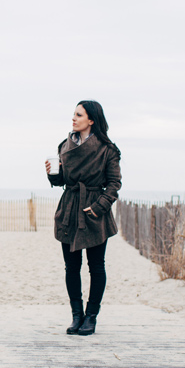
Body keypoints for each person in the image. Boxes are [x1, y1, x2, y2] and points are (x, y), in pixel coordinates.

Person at [46, 100, 122, 336]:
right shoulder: (65, 145)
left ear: (91, 120)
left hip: (94, 212)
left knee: (96, 267)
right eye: (74, 114)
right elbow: (62, 181)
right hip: (69, 208)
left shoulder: (108, 149)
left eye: (79, 115)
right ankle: (76, 316)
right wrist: (51, 174)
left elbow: (114, 184)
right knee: (71, 267)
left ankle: (91, 317)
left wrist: (99, 206)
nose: (73, 118)